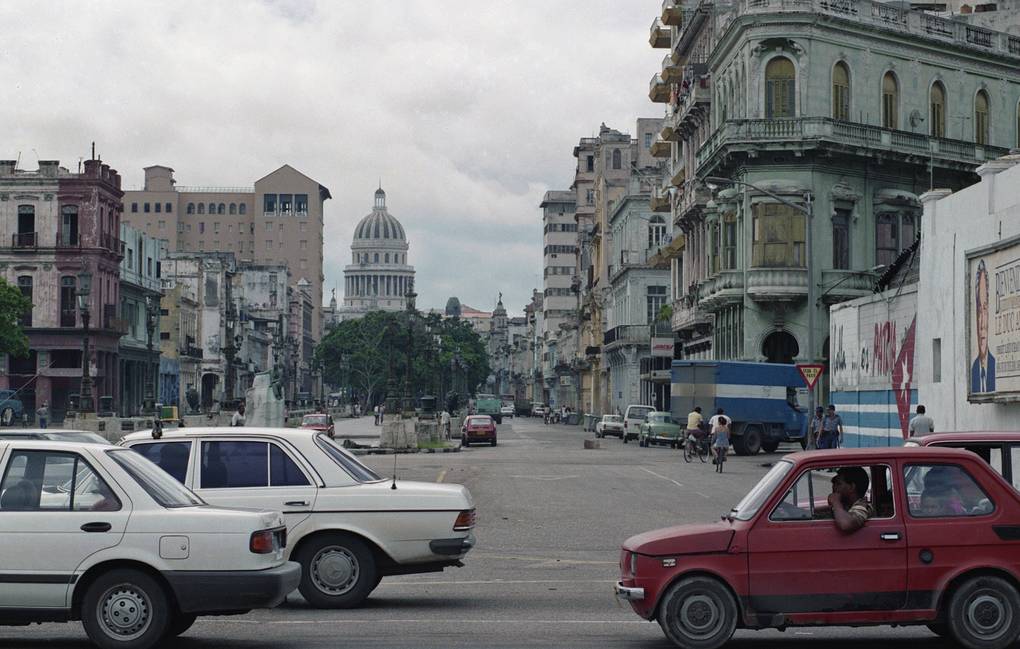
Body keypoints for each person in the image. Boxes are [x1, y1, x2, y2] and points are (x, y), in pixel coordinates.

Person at [971, 259, 996, 394]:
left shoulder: (995, 367)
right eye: (979, 309)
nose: (982, 323)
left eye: (985, 308)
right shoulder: (973, 371)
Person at [827, 466, 875, 532]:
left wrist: (836, 502)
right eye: (834, 484)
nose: (834, 487)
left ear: (852, 487)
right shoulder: (845, 505)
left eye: (838, 484)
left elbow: (846, 524)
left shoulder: (863, 506)